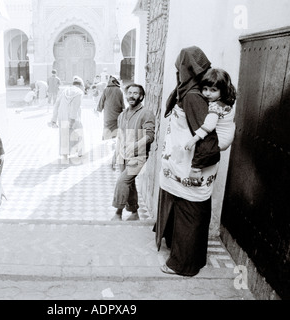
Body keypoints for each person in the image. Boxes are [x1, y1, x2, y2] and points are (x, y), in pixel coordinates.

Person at [154, 46, 234, 277]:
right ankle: (194, 258)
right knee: (194, 210)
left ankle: (183, 264)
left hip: (192, 166)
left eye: (179, 67)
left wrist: (197, 167)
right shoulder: (197, 91)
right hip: (185, 163)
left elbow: (208, 140)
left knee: (190, 212)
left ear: (186, 68)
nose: (177, 72)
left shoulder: (193, 96)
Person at [112, 84, 155, 221]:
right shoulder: (122, 115)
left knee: (122, 182)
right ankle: (134, 213)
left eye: (135, 93)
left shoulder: (146, 113)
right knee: (129, 184)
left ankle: (118, 214)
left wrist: (136, 145)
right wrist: (115, 155)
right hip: (123, 155)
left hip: (138, 156)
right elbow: (120, 136)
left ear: (141, 96)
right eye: (129, 93)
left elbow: (150, 136)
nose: (131, 95)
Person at [184, 68, 236, 154]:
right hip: (228, 138)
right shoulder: (225, 102)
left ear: (222, 91)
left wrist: (194, 139)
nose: (208, 93)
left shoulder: (216, 106)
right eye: (205, 89)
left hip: (220, 140)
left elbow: (210, 124)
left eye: (213, 90)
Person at [49, 77, 85, 159]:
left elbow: (56, 105)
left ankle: (65, 154)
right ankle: (80, 152)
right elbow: (75, 107)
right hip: (73, 117)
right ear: (80, 85)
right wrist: (72, 120)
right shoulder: (79, 92)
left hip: (62, 116)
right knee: (78, 132)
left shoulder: (65, 91)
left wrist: (53, 119)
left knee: (64, 134)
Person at [96, 75, 126, 169]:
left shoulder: (106, 90)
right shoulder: (119, 90)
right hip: (118, 115)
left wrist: (99, 109)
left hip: (108, 115)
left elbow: (101, 101)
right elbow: (123, 104)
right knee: (117, 131)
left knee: (107, 129)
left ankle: (108, 147)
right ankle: (114, 146)